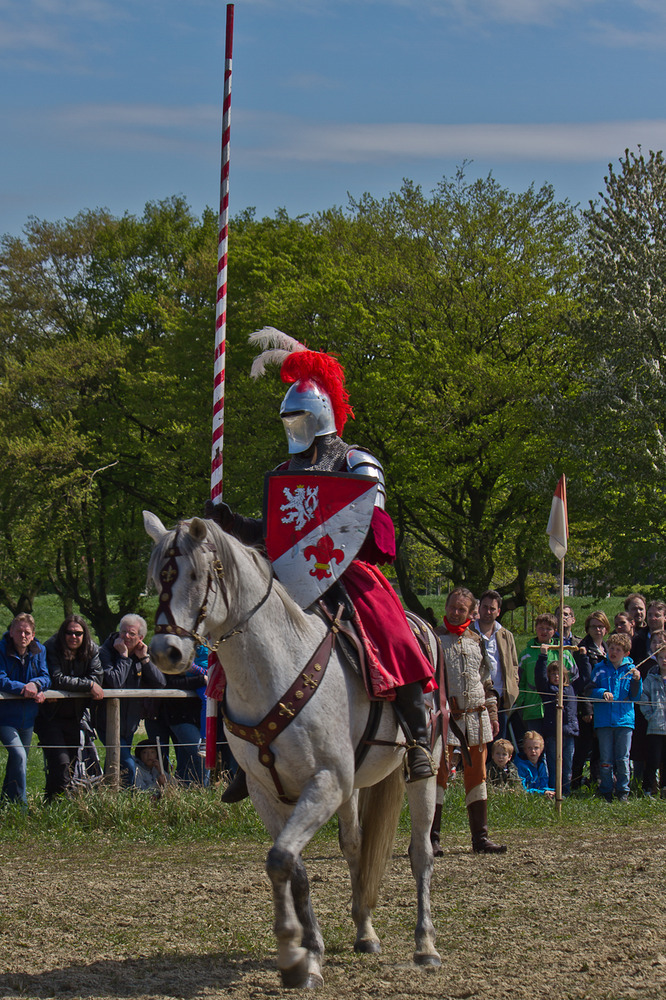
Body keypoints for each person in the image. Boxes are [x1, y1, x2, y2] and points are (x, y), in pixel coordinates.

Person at [206, 331, 437, 802]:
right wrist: (232, 524)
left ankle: (416, 740)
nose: (293, 427)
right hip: (289, 574)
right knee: (239, 639)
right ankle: (245, 754)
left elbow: (372, 526)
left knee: (392, 633)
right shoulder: (287, 470)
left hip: (345, 570)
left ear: (321, 416)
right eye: (288, 419)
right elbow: (275, 532)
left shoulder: (357, 461)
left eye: (300, 417)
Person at [432, 587, 506, 855]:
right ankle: (431, 838)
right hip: (445, 719)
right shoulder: (435, 639)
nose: (455, 612)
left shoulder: (477, 640)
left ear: (470, 611)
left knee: (478, 776)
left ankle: (480, 839)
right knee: (438, 775)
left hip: (476, 717)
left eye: (461, 609)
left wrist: (493, 712)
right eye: (452, 606)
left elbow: (486, 681)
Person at [34, 615, 104, 800]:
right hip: (50, 717)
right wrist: (88, 686)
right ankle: (57, 805)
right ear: (63, 633)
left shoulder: (92, 649)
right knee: (61, 764)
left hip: (75, 717)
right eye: (69, 632)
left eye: (78, 633)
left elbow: (98, 677)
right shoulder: (51, 647)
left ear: (84, 634)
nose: (73, 636)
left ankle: (52, 804)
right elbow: (56, 679)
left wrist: (88, 684)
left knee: (71, 764)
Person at [97, 614, 165, 786]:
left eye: (132, 634)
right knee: (126, 762)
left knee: (114, 762)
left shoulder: (141, 654)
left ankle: (108, 795)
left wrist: (144, 659)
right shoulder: (105, 652)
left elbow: (160, 683)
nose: (126, 636)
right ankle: (132, 799)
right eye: (123, 632)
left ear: (141, 638)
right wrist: (124, 657)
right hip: (107, 721)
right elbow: (114, 682)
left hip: (130, 723)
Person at [0, 614, 51, 805]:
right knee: (19, 756)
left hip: (28, 717)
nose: (23, 635)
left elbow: (46, 676)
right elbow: (0, 678)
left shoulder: (40, 651)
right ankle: (22, 807)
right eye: (19, 631)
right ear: (11, 632)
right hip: (5, 717)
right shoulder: (1, 650)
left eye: (27, 632)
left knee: (18, 762)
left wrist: (37, 685)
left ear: (33, 635)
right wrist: (25, 689)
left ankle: (6, 803)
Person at [588, 632, 642, 802]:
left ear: (626, 653)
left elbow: (635, 697)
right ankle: (606, 790)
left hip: (625, 721)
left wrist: (636, 680)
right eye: (611, 648)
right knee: (605, 758)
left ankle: (623, 791)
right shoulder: (600, 669)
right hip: (604, 721)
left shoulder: (631, 670)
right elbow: (589, 690)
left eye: (618, 650)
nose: (614, 652)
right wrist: (602, 693)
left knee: (623, 758)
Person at [514, 613, 578, 746]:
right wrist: (522, 702)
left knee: (554, 748)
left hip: (559, 710)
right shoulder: (526, 654)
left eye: (548, 629)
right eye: (541, 628)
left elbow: (574, 679)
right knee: (534, 747)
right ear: (536, 628)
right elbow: (519, 680)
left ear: (554, 631)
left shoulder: (564, 653)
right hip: (533, 709)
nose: (544, 632)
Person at [473, 590, 519, 742]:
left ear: (498, 612)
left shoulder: (506, 635)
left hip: (501, 699)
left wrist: (513, 686)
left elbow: (514, 665)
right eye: (485, 607)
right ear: (479, 608)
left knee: (499, 744)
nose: (488, 611)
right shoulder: (468, 632)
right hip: (476, 699)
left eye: (492, 608)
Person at [570, 610, 609, 792]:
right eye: (594, 626)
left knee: (599, 747)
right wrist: (586, 709)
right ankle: (575, 782)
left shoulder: (607, 649)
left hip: (604, 705)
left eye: (601, 626)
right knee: (583, 747)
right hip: (588, 706)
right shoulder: (583, 649)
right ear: (587, 628)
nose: (598, 629)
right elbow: (583, 682)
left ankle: (596, 780)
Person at [534, 653, 578, 795]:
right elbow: (539, 678)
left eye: (559, 674)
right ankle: (554, 790)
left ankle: (565, 791)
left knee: (567, 765)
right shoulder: (548, 690)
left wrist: (583, 658)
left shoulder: (571, 689)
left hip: (569, 733)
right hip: (553, 732)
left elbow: (584, 679)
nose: (556, 677)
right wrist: (542, 657)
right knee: (553, 764)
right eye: (553, 674)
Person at [639, 645, 666, 796]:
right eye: (661, 657)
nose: (664, 660)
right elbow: (643, 698)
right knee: (653, 760)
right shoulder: (650, 678)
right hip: (655, 727)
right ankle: (648, 788)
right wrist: (651, 715)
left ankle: (664, 787)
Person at [514, 731, 555, 798]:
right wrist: (542, 793)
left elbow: (544, 784)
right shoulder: (520, 765)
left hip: (540, 794)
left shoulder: (542, 763)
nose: (533, 751)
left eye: (536, 748)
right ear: (524, 749)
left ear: (541, 749)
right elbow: (522, 790)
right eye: (529, 748)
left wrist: (550, 792)